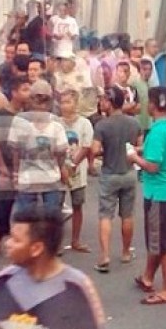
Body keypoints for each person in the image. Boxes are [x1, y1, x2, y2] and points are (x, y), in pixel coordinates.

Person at [130, 86, 166, 305]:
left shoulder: (156, 131)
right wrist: (141, 150)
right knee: (160, 237)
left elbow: (153, 166)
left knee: (165, 242)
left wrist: (134, 158)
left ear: (152, 105)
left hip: (160, 192)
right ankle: (147, 277)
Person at [90, 87, 142, 273]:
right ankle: (126, 251)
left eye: (104, 100)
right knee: (127, 215)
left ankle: (104, 255)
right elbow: (139, 146)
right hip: (128, 173)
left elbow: (95, 150)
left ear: (111, 102)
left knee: (106, 215)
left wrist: (106, 150)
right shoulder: (134, 123)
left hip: (109, 173)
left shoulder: (102, 125)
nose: (101, 103)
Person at [0, 76, 30, 259]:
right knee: (3, 206)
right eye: (24, 89)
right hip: (7, 167)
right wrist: (2, 168)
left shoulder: (28, 114)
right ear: (14, 93)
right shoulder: (2, 115)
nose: (28, 93)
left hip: (27, 167)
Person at [8, 80, 69, 215]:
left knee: (26, 222)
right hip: (51, 178)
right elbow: (61, 153)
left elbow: (15, 151)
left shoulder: (19, 121)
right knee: (50, 222)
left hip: (27, 178)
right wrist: (60, 168)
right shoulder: (56, 123)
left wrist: (16, 174)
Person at [60, 89, 94, 254]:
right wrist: (63, 166)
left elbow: (86, 146)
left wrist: (73, 164)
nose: (64, 106)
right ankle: (56, 242)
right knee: (56, 205)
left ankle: (75, 240)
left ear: (76, 103)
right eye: (62, 102)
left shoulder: (84, 123)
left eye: (68, 102)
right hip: (59, 170)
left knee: (77, 205)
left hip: (78, 170)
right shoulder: (56, 123)